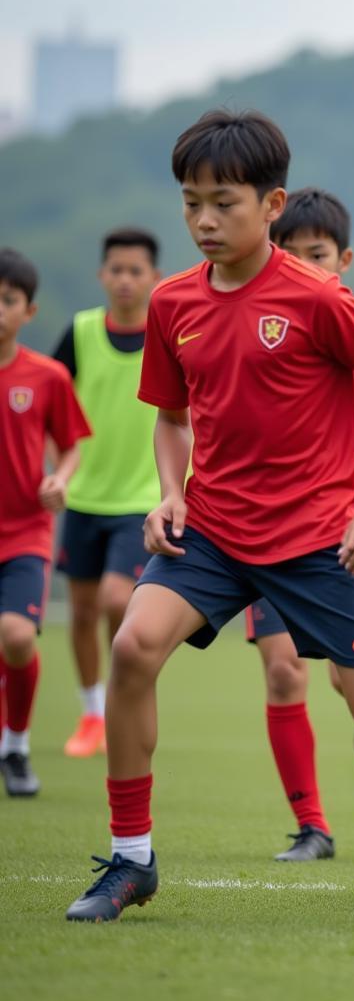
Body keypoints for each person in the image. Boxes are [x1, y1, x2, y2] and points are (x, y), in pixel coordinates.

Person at [64, 109, 354, 923]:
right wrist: (170, 492)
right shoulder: (174, 304)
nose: (206, 221)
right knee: (134, 646)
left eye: (225, 203)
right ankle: (132, 858)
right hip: (212, 530)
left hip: (317, 543)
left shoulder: (318, 297)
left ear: (272, 203)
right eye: (192, 204)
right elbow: (171, 416)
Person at [246, 188, 354, 863]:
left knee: (353, 688)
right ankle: (312, 826)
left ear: (344, 260)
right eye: (291, 253)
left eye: (318, 256)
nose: (303, 267)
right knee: (283, 674)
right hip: (252, 529)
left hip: (339, 532)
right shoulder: (252, 321)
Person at [51, 229, 162, 759]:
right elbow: (50, 399)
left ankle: (125, 693)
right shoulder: (80, 333)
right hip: (82, 498)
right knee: (81, 611)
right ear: (102, 275)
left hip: (141, 500)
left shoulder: (166, 334)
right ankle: (93, 711)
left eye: (135, 270)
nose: (124, 280)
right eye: (115, 269)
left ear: (154, 278)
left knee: (120, 601)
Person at [0, 248, 91, 796]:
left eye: (7, 300)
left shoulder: (47, 376)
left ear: (28, 311)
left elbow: (71, 446)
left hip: (26, 531)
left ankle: (16, 744)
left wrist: (61, 479)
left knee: (15, 636)